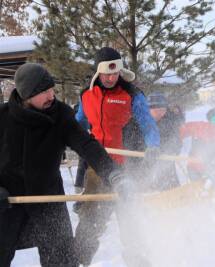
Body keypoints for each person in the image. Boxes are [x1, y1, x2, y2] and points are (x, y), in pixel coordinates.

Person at [0, 63, 128, 267]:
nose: (51, 96)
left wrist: (112, 173)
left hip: (48, 200)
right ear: (26, 95)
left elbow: (87, 145)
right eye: (44, 92)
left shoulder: (60, 115)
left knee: (62, 260)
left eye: (52, 89)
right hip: (8, 202)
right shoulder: (3, 118)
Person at [74, 47, 161, 266]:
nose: (112, 78)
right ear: (98, 73)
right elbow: (77, 124)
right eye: (107, 74)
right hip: (97, 168)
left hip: (126, 167)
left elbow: (149, 126)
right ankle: (78, 262)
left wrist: (153, 147)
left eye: (115, 73)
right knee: (89, 223)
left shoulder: (132, 95)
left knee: (131, 223)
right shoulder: (87, 96)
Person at [147, 92, 184, 189]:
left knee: (170, 187)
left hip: (166, 162)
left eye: (163, 110)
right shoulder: (140, 122)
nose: (160, 114)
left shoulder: (169, 122)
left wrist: (168, 151)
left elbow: (176, 141)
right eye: (156, 111)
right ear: (148, 110)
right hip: (145, 164)